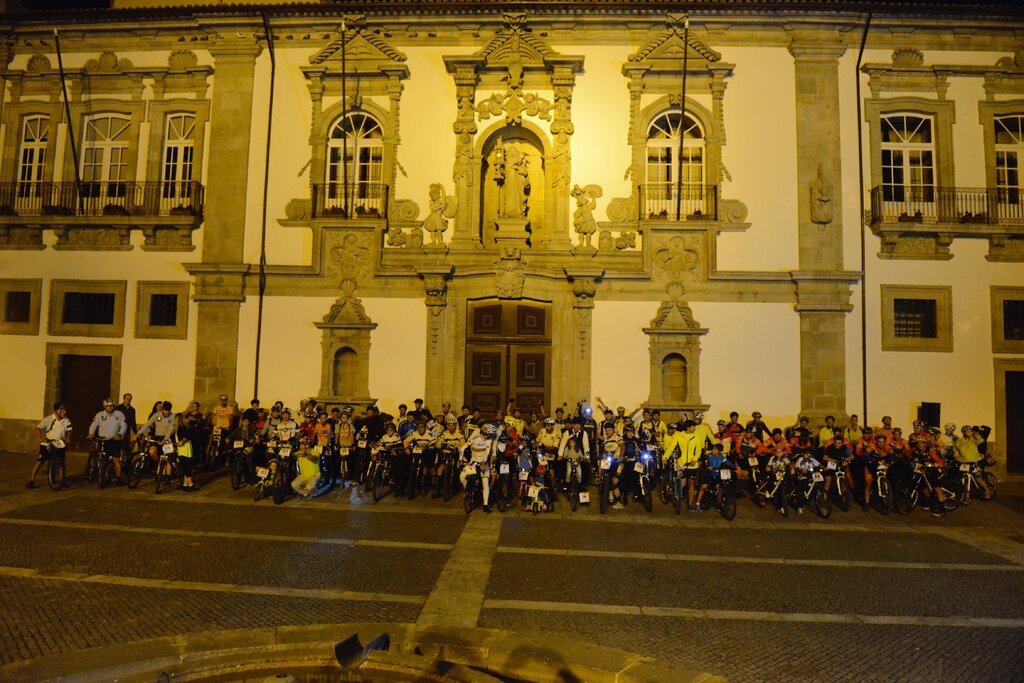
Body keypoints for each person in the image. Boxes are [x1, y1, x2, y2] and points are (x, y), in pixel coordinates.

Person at [27, 402, 72, 489]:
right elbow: (38, 428)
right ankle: (31, 480)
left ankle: (62, 481)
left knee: (61, 462)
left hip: (59, 443)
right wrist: (40, 438)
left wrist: (68, 438)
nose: (65, 412)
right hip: (47, 443)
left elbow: (69, 430)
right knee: (40, 461)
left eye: (65, 410)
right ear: (57, 411)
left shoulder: (66, 420)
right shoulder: (49, 419)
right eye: (63, 411)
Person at [461, 422, 498, 512]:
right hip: (473, 463)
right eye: (489, 434)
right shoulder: (475, 438)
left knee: (485, 483)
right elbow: (462, 448)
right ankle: (467, 491)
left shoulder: (489, 441)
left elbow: (487, 453)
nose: (490, 436)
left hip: (484, 464)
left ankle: (486, 504)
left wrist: (484, 463)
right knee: (462, 476)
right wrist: (461, 459)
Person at [88, 398, 127, 481]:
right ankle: (104, 476)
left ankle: (119, 477)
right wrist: (91, 434)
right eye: (108, 406)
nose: (110, 408)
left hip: (114, 440)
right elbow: (94, 425)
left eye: (112, 406)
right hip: (103, 440)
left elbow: (124, 425)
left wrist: (120, 434)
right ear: (104, 406)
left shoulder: (119, 414)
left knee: (115, 459)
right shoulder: (99, 415)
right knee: (103, 459)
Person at [953, 425, 991, 497]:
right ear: (964, 432)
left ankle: (987, 491)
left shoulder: (974, 439)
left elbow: (981, 439)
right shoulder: (959, 441)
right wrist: (957, 458)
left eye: (971, 431)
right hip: (963, 463)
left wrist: (975, 433)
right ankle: (965, 493)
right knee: (963, 478)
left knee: (978, 478)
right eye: (968, 431)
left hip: (973, 462)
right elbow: (956, 451)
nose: (970, 433)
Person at [114, 393, 137, 460]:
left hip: (127, 431)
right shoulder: (118, 408)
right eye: (127, 398)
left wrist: (136, 433)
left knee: (125, 447)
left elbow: (133, 422)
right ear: (124, 399)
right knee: (118, 446)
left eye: (130, 399)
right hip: (118, 430)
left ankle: (123, 460)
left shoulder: (132, 410)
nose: (128, 400)